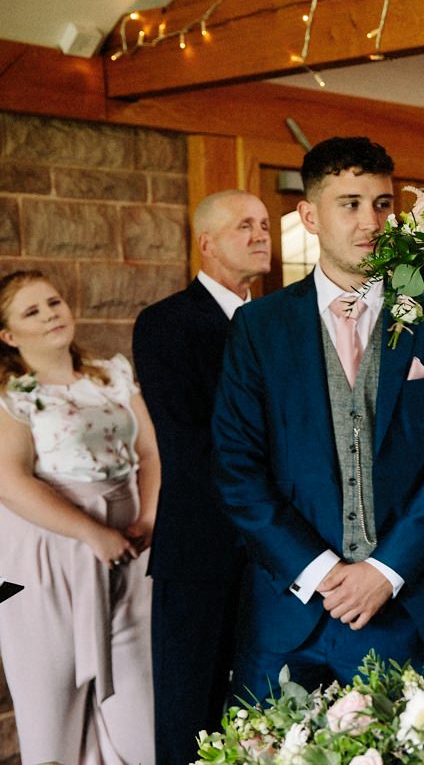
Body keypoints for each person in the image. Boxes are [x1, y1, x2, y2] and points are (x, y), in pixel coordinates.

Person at [211, 137, 424, 701]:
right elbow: (237, 466)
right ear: (308, 215)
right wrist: (317, 572)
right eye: (350, 204)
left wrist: (385, 570)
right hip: (287, 614)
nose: (371, 222)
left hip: (400, 612)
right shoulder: (259, 328)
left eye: (382, 204)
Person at [132, 189, 271, 764]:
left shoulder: (277, 321)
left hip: (276, 551)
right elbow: (188, 445)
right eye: (246, 225)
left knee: (263, 710)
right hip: (202, 546)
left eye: (265, 223)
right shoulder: (166, 323)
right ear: (206, 243)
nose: (261, 234)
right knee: (191, 713)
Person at [0, 271, 159, 764]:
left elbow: (151, 452)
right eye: (32, 311)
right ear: (8, 336)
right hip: (45, 558)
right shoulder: (13, 394)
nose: (51, 314)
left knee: (142, 717)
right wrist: (93, 533)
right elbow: (8, 480)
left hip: (131, 554)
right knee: (52, 716)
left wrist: (149, 518)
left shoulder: (111, 373)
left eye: (54, 302)